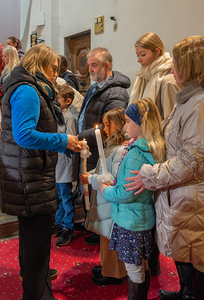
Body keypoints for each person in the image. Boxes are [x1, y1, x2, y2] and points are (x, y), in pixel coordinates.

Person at [0, 44, 82, 300]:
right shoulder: (28, 90)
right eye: (53, 68)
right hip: (29, 177)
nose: (56, 75)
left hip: (27, 173)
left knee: (32, 240)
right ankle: (37, 294)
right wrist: (63, 141)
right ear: (40, 64)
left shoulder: (27, 85)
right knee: (37, 243)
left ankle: (37, 286)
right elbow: (24, 135)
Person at [124, 35, 204, 300]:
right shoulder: (188, 99)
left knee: (195, 251)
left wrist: (149, 174)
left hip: (191, 192)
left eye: (178, 64)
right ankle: (187, 291)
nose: (173, 70)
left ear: (191, 66)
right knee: (186, 248)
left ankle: (193, 294)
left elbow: (191, 160)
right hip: (180, 192)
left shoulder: (199, 105)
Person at [100, 98, 165, 299]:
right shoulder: (148, 147)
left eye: (128, 121)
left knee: (133, 268)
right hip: (141, 217)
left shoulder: (136, 154)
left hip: (131, 220)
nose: (125, 125)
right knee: (139, 264)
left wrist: (106, 191)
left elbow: (126, 193)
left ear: (142, 124)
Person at [75, 47, 130, 243]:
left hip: (102, 150)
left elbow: (112, 127)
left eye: (94, 65)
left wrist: (77, 135)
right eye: (88, 65)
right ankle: (93, 225)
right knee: (90, 189)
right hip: (89, 147)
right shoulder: (93, 87)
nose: (89, 70)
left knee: (101, 192)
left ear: (107, 66)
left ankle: (102, 233)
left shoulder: (115, 91)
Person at [80, 107, 127, 286]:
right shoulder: (111, 147)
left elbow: (113, 178)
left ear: (121, 125)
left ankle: (113, 273)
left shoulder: (120, 150)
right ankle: (107, 267)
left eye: (109, 125)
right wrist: (89, 174)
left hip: (111, 202)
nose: (105, 129)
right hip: (104, 201)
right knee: (106, 237)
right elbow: (102, 170)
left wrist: (91, 178)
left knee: (112, 238)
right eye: (105, 125)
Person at [130, 32, 179, 121]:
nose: (139, 60)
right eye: (137, 55)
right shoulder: (143, 75)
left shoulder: (167, 77)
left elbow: (171, 117)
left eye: (143, 55)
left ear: (157, 51)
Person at [51, 84, 78, 246]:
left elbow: (71, 140)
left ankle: (68, 227)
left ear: (67, 101)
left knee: (65, 196)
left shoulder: (69, 118)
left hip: (64, 161)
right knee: (58, 196)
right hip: (56, 162)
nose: (56, 101)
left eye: (58, 98)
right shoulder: (57, 114)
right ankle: (59, 223)